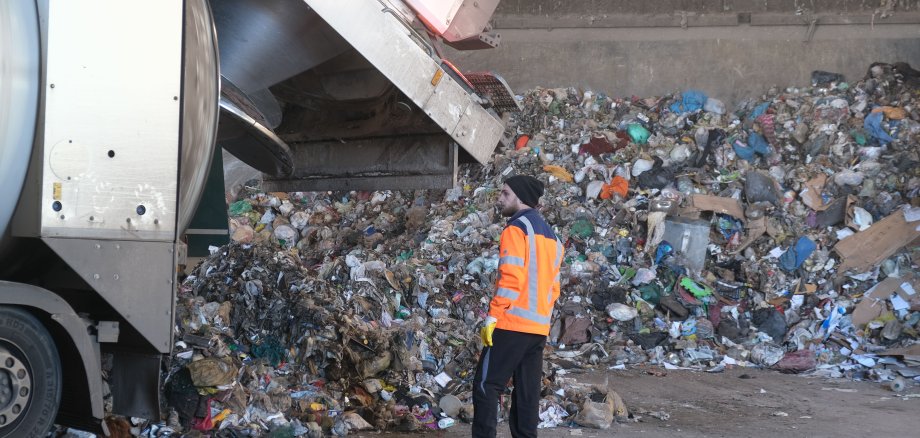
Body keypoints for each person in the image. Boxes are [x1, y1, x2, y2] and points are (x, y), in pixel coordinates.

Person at [473, 175, 564, 438]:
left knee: (486, 385)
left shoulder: (516, 229)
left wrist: (493, 316)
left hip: (511, 323)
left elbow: (511, 277)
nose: (499, 199)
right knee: (527, 392)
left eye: (505, 193)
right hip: (538, 328)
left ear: (521, 197)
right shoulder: (553, 238)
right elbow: (554, 288)